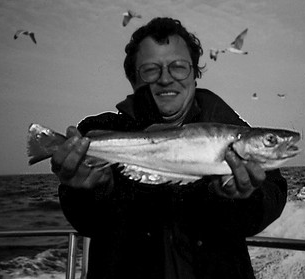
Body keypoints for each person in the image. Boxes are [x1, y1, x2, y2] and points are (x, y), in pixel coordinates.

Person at [53, 17, 288, 279]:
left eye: (178, 67)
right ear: (134, 80)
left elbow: (270, 199)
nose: (166, 79)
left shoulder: (232, 130)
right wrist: (93, 191)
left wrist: (244, 197)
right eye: (151, 69)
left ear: (194, 74)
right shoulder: (100, 132)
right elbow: (85, 220)